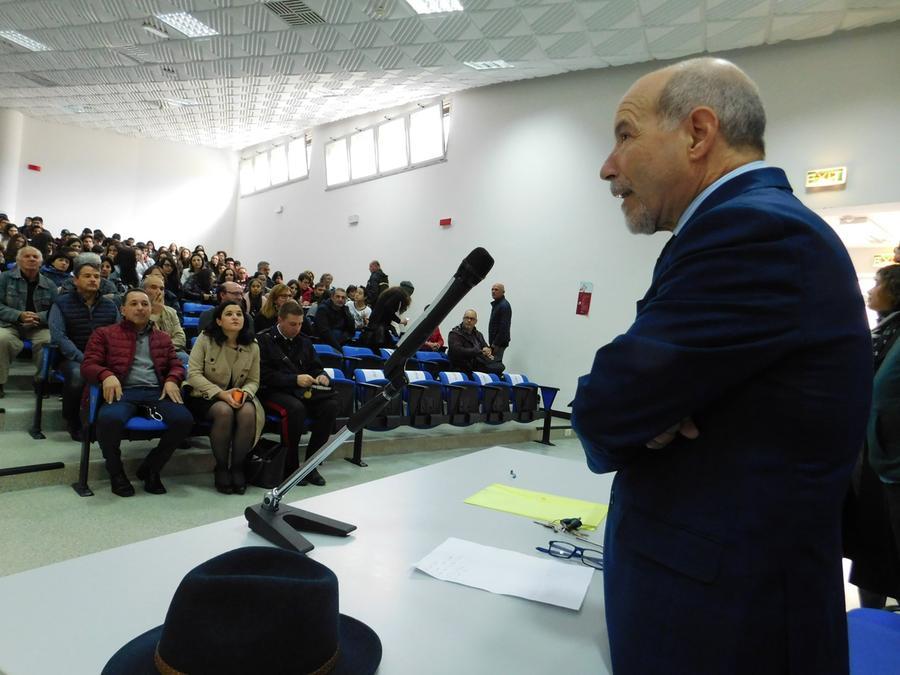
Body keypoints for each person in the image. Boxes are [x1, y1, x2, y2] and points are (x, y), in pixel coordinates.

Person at [571, 57, 871, 674]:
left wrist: (639, 411)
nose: (607, 166)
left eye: (624, 136)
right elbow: (635, 395)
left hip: (727, 626)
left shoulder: (754, 231)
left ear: (698, 133)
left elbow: (606, 406)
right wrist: (647, 406)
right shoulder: (739, 228)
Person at [81, 288, 193, 497]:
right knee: (109, 420)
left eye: (144, 304)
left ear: (151, 309)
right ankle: (116, 473)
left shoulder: (162, 337)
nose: (140, 308)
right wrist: (106, 374)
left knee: (183, 420)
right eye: (133, 304)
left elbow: (176, 365)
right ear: (123, 309)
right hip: (123, 392)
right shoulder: (104, 334)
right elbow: (88, 365)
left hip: (155, 392)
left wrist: (171, 379)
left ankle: (151, 468)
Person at [844, 264, 900, 607]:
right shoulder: (881, 334)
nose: (870, 289)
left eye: (877, 282)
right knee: (871, 551)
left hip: (890, 465)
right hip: (870, 463)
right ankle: (872, 626)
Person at [185, 301, 264, 495]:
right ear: (219, 321)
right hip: (205, 394)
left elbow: (253, 380)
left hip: (238, 395)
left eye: (239, 313)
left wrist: (244, 393)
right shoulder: (205, 339)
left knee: (247, 411)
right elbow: (193, 374)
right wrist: (221, 394)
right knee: (224, 411)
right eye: (229, 314)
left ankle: (237, 466)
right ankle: (221, 466)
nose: (236, 317)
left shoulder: (253, 345)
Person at [257, 301, 338, 486]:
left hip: (301, 390)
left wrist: (322, 375)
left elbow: (315, 367)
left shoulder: (304, 341)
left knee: (330, 406)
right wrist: (294, 379)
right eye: (293, 324)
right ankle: (290, 466)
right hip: (273, 391)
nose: (297, 328)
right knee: (296, 409)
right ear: (280, 319)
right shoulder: (264, 340)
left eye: (300, 323)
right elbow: (263, 375)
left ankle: (311, 466)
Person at [48, 257, 119, 440]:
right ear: (75, 280)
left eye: (96, 276)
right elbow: (59, 337)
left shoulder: (110, 306)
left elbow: (119, 334)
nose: (94, 279)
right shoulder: (61, 303)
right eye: (87, 276)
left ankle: (109, 420)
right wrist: (84, 358)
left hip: (103, 356)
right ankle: (73, 421)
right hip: (71, 357)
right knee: (79, 375)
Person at [0, 246, 58, 398]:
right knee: (1, 339)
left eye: (35, 257)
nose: (32, 259)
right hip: (9, 324)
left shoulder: (49, 284)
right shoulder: (4, 278)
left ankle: (41, 381)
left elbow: (56, 310)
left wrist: (38, 317)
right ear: (18, 260)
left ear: (41, 262)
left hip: (38, 326)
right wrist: (19, 315)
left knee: (49, 339)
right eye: (27, 256)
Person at [143, 275, 188, 366]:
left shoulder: (171, 312)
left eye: (162, 289)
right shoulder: (138, 312)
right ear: (144, 291)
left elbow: (181, 339)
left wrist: (164, 347)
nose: (159, 292)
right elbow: (144, 342)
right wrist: (155, 314)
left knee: (184, 357)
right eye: (153, 287)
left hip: (171, 352)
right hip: (146, 355)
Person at [447, 309, 501, 373]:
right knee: (495, 368)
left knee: (499, 366)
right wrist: (479, 352)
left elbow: (485, 346)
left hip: (477, 363)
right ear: (463, 319)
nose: (469, 320)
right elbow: (457, 351)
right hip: (462, 366)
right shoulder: (454, 334)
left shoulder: (478, 334)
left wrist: (488, 350)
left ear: (476, 321)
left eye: (472, 319)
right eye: (467, 318)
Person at [358, 286, 409, 350]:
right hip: (378, 333)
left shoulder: (385, 296)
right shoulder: (397, 295)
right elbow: (389, 310)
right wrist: (400, 321)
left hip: (373, 331)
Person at [488, 282, 511, 363]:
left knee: (495, 364)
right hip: (496, 343)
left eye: (496, 290)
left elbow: (504, 328)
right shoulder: (498, 304)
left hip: (499, 344)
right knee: (494, 363)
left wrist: (495, 344)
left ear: (503, 292)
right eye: (492, 289)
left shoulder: (504, 306)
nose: (493, 291)